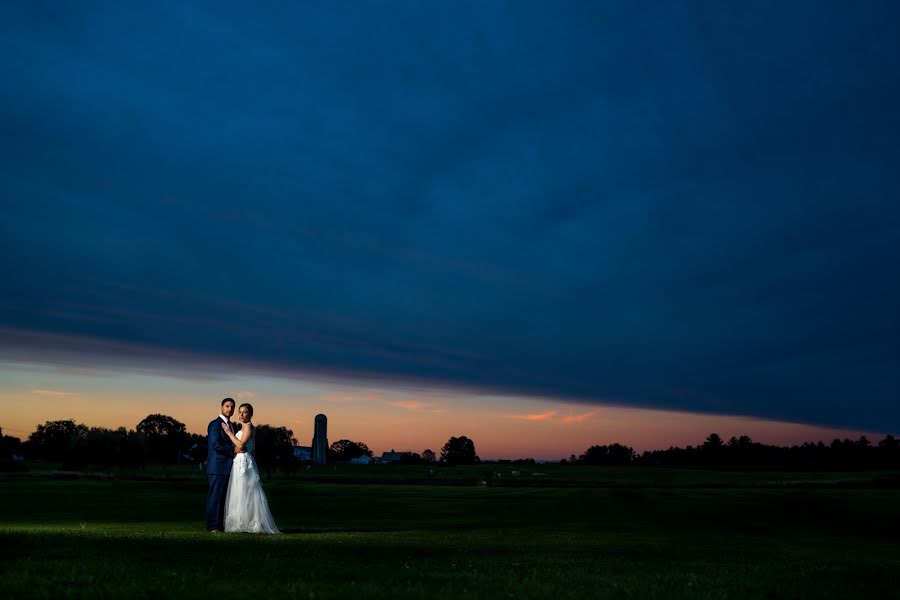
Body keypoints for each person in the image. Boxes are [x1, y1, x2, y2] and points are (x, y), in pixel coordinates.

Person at [220, 403, 280, 534]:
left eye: (245, 412)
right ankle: (242, 522)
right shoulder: (244, 427)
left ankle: (251, 523)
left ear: (251, 414)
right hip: (240, 460)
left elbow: (241, 444)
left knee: (246, 492)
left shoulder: (248, 427)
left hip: (244, 462)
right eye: (240, 412)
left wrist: (229, 432)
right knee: (239, 492)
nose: (241, 415)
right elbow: (253, 450)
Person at [206, 397, 236, 533]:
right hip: (217, 467)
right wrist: (233, 451)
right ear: (221, 407)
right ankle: (213, 527)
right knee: (215, 498)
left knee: (224, 498)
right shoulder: (215, 424)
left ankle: (220, 526)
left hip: (228, 467)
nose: (230, 409)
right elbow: (215, 444)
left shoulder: (233, 426)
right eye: (227, 406)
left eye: (232, 407)